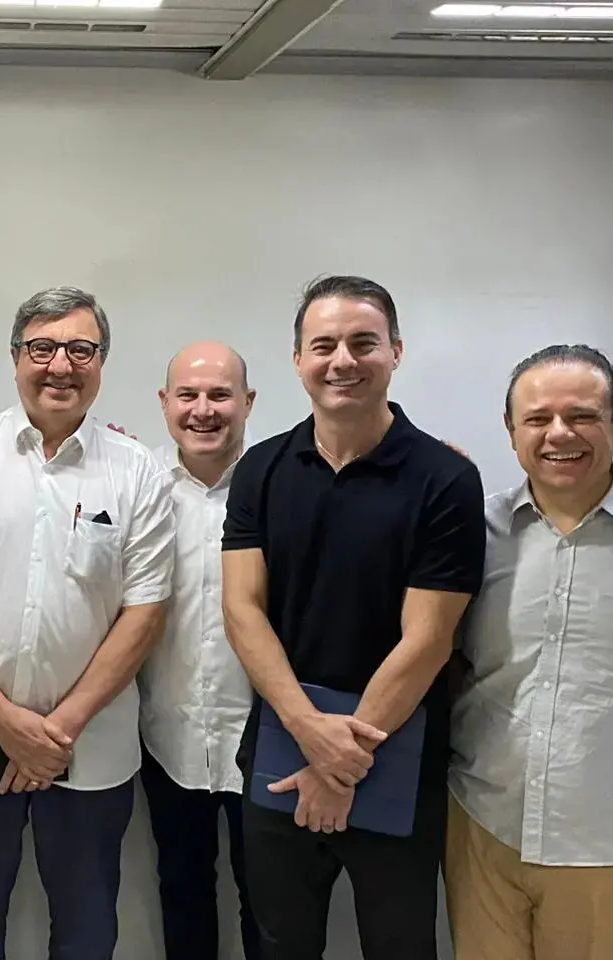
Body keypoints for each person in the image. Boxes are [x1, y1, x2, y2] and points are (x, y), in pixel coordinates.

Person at [0, 286, 176, 959]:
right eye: (43, 348)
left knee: (87, 930)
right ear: (15, 356)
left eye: (80, 349)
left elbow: (145, 614)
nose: (61, 365)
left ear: (102, 361)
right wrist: (4, 720)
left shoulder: (137, 473)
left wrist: (56, 730)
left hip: (88, 746)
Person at [219, 275, 486, 960]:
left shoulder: (445, 480)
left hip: (398, 754)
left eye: (364, 343)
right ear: (298, 360)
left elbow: (427, 639)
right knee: (278, 946)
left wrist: (342, 762)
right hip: (283, 747)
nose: (343, 360)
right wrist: (312, 737)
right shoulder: (260, 470)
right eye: (324, 345)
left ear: (395, 352)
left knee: (400, 946)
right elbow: (243, 610)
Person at [446, 344, 613, 960]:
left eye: (582, 415)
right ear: (512, 434)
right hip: (484, 825)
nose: (559, 433)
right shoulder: (470, 533)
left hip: (610, 844)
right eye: (537, 419)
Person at [139, 341, 261, 960]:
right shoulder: (138, 487)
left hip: (265, 744)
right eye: (187, 395)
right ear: (165, 404)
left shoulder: (281, 487)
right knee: (182, 893)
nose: (204, 410)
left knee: (269, 907)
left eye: (220, 395)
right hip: (169, 737)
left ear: (248, 403)